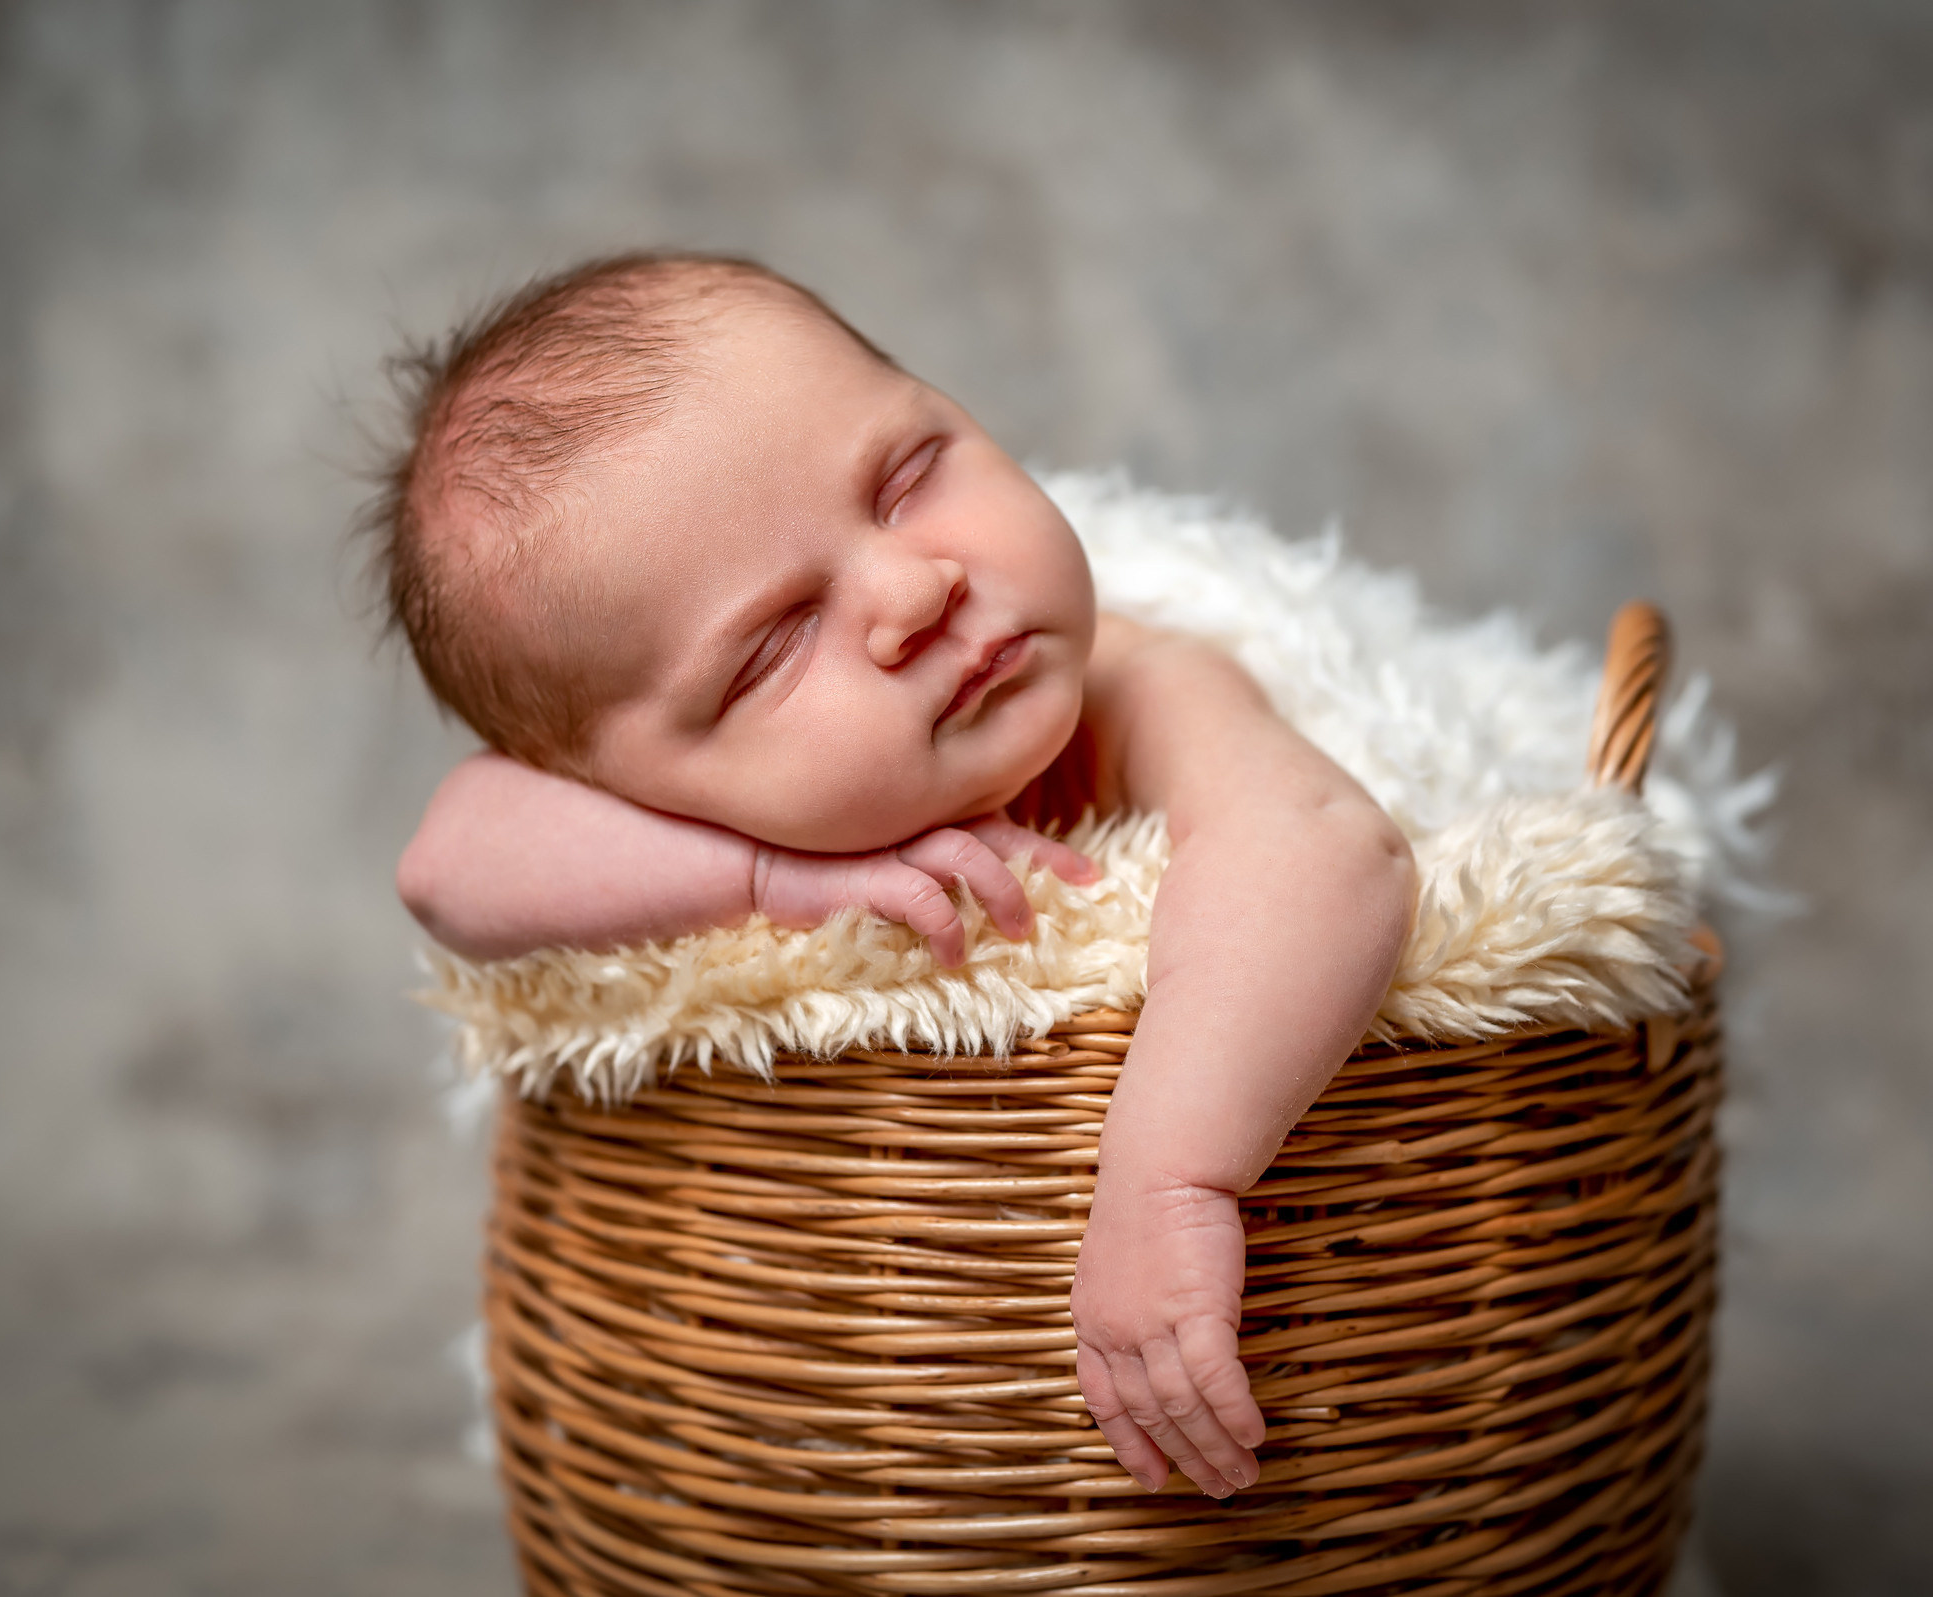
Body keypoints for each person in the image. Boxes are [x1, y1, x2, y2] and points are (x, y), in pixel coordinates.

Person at [380, 253, 1412, 1499]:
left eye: (909, 478)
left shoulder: (1139, 686)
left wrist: (1169, 1181)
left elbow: (1320, 848)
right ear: (629, 781)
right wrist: (766, 876)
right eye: (771, 646)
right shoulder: (683, 827)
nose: (916, 591)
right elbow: (447, 863)